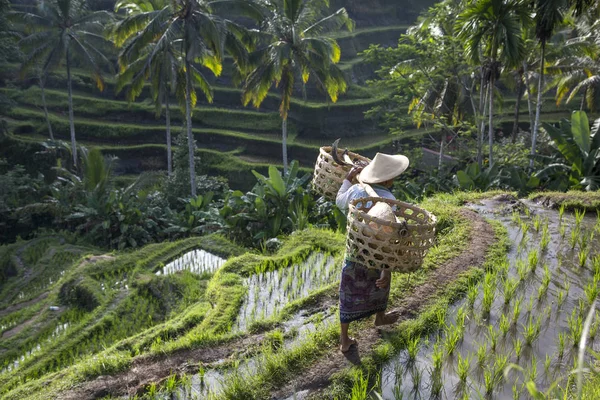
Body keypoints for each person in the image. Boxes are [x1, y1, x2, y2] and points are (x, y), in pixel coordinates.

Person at [336, 152, 410, 353]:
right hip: (378, 255)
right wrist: (387, 269)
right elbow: (390, 238)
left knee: (348, 292)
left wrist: (347, 179)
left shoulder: (355, 191)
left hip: (355, 252)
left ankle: (344, 339)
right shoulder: (390, 200)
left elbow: (339, 201)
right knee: (381, 285)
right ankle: (380, 317)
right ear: (386, 179)